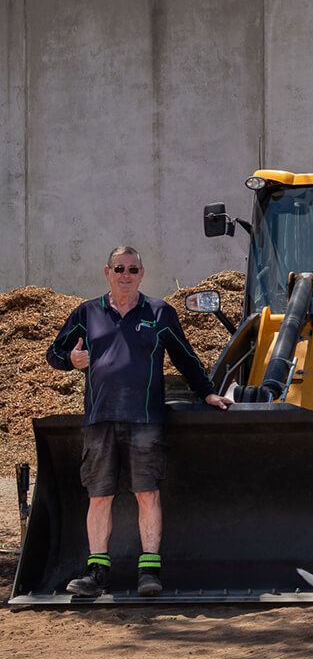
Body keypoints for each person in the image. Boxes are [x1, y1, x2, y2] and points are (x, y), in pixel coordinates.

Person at [46, 246, 232, 598]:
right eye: (119, 268)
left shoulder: (160, 313)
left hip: (146, 420)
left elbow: (185, 356)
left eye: (132, 269)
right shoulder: (87, 313)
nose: (126, 275)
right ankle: (97, 572)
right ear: (107, 272)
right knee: (99, 496)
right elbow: (53, 353)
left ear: (142, 274)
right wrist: (71, 358)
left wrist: (207, 392)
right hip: (100, 419)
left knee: (147, 493)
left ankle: (149, 573)